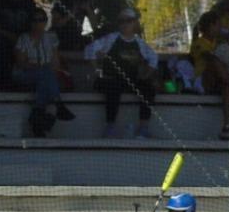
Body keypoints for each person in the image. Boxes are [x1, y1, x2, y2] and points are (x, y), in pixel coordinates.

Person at [85, 8, 159, 138]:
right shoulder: (110, 39)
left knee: (148, 88)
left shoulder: (139, 43)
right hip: (110, 79)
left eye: (129, 21)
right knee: (113, 88)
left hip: (130, 80)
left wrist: (146, 75)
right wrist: (98, 70)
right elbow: (89, 50)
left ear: (135, 23)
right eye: (121, 21)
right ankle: (110, 127)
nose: (125, 24)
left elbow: (153, 58)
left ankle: (143, 127)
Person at [15, 7, 75, 136]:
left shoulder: (51, 38)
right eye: (35, 20)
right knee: (45, 74)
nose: (38, 23)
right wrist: (41, 67)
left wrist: (42, 67)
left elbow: (56, 63)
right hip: (26, 75)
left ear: (45, 21)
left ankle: (38, 118)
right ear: (30, 22)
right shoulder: (23, 39)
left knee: (45, 78)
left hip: (45, 76)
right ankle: (57, 105)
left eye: (41, 20)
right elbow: (21, 64)